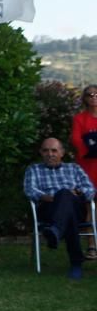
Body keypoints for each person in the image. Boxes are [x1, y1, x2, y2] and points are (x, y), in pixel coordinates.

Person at [24, 137, 96, 279]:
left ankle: (56, 231)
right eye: (45, 150)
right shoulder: (34, 169)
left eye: (54, 150)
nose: (50, 154)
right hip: (48, 208)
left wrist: (78, 192)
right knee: (67, 208)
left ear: (62, 153)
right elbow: (30, 190)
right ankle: (76, 264)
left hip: (75, 206)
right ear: (41, 152)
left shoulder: (74, 168)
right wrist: (54, 198)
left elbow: (90, 189)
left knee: (65, 197)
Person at [69, 84, 97, 259]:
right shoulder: (80, 118)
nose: (94, 97)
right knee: (90, 205)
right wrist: (89, 151)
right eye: (90, 94)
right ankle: (92, 246)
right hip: (88, 166)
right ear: (85, 98)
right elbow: (76, 139)